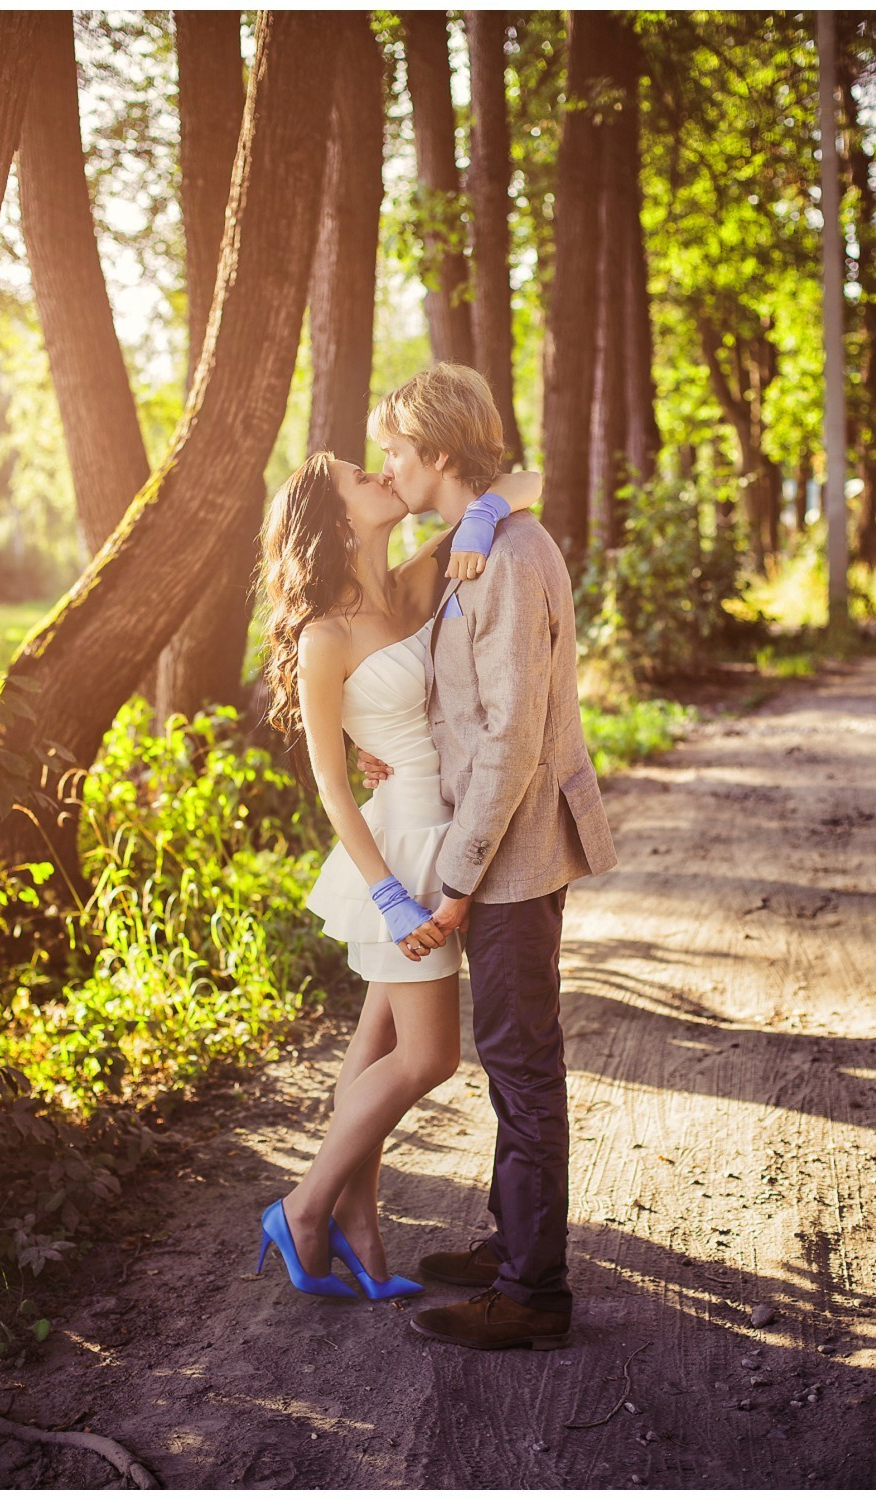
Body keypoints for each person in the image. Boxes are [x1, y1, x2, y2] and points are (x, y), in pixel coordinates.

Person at [362, 363, 618, 1352]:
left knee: (520, 1058)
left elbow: (512, 738)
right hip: (494, 841)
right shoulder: (483, 540)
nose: (388, 466)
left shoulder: (508, 557)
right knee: (512, 1052)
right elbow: (471, 698)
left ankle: (531, 1293)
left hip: (512, 855)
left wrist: (458, 881)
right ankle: (517, 1239)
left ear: (436, 454)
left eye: (395, 450)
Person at [254, 434, 541, 1302]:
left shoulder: (411, 582)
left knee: (374, 1046)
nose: (380, 473)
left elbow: (532, 481)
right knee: (428, 1056)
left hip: (440, 826)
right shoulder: (323, 636)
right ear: (332, 516)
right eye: (357, 474)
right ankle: (304, 1210)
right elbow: (333, 787)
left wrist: (485, 512)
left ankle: (358, 1224)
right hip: (399, 857)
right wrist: (384, 894)